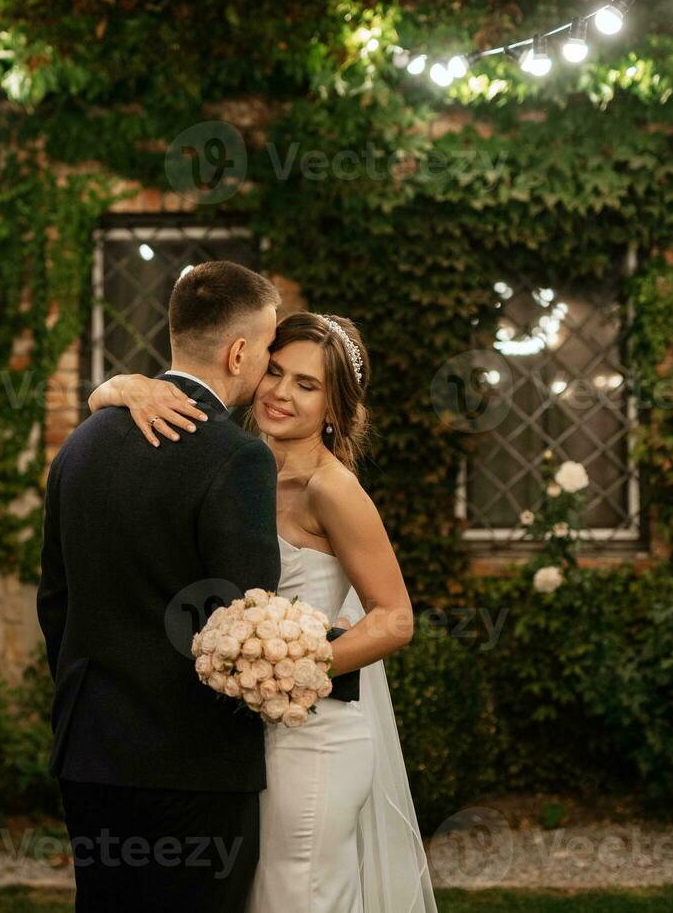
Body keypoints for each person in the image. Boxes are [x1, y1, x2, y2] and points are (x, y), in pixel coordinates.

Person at [89, 306, 439, 912]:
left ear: (334, 409)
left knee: (294, 897)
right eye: (274, 371)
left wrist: (295, 665)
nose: (279, 393)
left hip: (317, 738)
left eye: (306, 385)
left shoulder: (331, 490)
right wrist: (120, 386)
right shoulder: (235, 465)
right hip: (245, 739)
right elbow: (111, 405)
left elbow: (395, 617)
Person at [37, 260, 281, 911]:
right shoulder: (237, 457)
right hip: (191, 766)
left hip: (89, 754)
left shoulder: (80, 445)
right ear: (238, 352)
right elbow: (245, 623)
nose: (266, 364)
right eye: (266, 347)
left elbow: (54, 601)